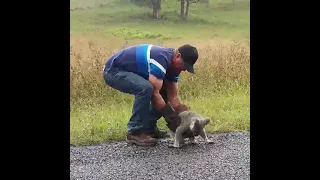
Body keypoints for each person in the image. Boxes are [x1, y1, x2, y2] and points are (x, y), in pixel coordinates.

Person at [102, 44, 198, 146]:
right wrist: (172, 119)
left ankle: (149, 128)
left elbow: (173, 97)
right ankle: (135, 132)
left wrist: (185, 118)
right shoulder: (161, 60)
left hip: (123, 72)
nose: (184, 69)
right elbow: (155, 95)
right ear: (177, 56)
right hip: (113, 71)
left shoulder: (174, 67)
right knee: (146, 89)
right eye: (184, 65)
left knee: (162, 89)